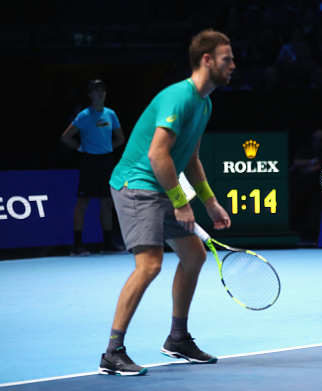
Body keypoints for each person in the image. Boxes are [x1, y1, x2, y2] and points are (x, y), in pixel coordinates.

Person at [98, 29, 234, 376]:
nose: (233, 65)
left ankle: (178, 338)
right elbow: (157, 154)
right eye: (226, 59)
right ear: (207, 60)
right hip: (137, 184)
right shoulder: (180, 98)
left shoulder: (205, 103)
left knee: (194, 255)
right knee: (150, 264)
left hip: (163, 186)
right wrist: (181, 201)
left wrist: (210, 202)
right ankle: (112, 352)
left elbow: (190, 157)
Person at [61, 79, 126, 256]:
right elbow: (66, 137)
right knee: (83, 202)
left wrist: (107, 148)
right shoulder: (83, 115)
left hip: (106, 161)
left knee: (107, 202)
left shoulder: (111, 114)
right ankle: (77, 246)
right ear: (90, 94)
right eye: (97, 90)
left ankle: (107, 244)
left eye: (103, 90)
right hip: (89, 161)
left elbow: (120, 138)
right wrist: (81, 148)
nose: (101, 93)